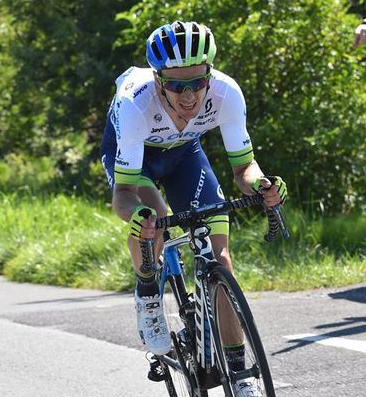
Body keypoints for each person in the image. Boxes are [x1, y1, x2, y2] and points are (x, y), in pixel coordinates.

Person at [100, 21, 287, 397]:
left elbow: (243, 168)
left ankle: (239, 374)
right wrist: (137, 218)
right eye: (176, 85)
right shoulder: (134, 104)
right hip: (138, 164)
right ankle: (148, 291)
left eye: (197, 83)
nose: (189, 96)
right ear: (157, 80)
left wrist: (262, 185)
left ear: (210, 75)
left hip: (186, 156)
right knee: (154, 219)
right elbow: (123, 195)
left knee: (220, 258)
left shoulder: (226, 93)